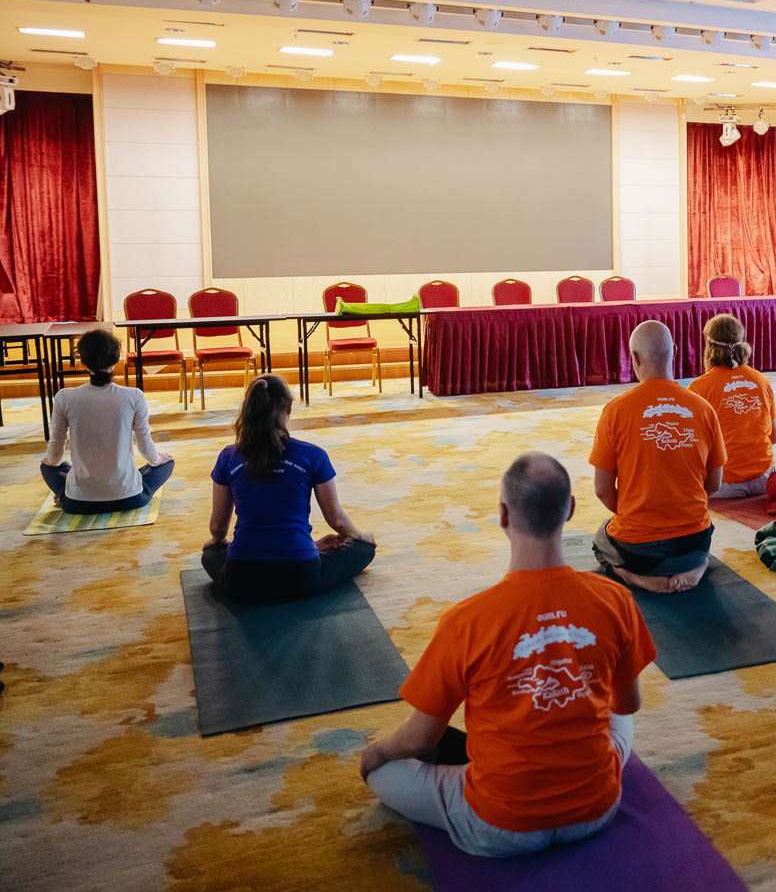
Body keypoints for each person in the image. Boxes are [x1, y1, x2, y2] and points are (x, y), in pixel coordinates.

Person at [362, 454, 656, 858]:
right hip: (595, 810)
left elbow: (420, 738)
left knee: (384, 769)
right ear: (570, 509)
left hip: (501, 826)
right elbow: (627, 704)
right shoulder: (616, 599)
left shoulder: (465, 621)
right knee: (620, 714)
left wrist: (375, 752)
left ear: (503, 515)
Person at [200, 375, 376, 603]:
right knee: (363, 549)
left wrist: (217, 542)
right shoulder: (314, 455)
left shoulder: (227, 457)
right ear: (289, 408)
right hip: (301, 577)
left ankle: (306, 550)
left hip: (242, 581)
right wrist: (361, 537)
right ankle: (311, 550)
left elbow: (217, 529)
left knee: (210, 554)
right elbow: (337, 520)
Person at [590, 320, 726, 593]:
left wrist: (636, 514)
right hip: (694, 543)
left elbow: (602, 490)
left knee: (601, 540)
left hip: (638, 551)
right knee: (702, 539)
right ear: (674, 351)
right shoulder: (703, 409)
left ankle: (635, 578)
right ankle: (699, 566)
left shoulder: (614, 411)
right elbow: (714, 484)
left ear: (634, 358)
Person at [39, 329, 174, 514]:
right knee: (167, 463)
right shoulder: (134, 396)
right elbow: (145, 447)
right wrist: (158, 460)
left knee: (47, 467)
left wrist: (52, 463)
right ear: (116, 359)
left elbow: (55, 454)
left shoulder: (64, 397)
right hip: (130, 499)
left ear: (83, 362)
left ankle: (64, 494)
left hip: (77, 503)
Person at [688, 313, 776, 498]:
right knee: (772, 442)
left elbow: (693, 447)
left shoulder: (698, 387)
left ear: (709, 346)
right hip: (764, 480)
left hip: (721, 485)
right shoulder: (762, 380)